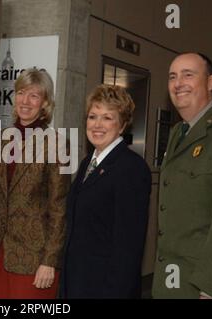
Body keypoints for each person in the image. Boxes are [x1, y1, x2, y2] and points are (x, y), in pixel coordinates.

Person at [152, 53, 212, 299]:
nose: (178, 83)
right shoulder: (178, 132)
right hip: (172, 279)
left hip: (203, 284)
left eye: (188, 74)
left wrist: (211, 288)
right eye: (173, 76)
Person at [0, 68, 71, 298]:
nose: (25, 101)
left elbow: (60, 208)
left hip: (35, 257)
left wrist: (50, 261)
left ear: (45, 103)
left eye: (34, 95)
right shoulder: (0, 140)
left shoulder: (59, 144)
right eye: (21, 93)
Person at [59, 84, 151, 298]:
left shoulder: (131, 168)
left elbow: (128, 248)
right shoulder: (87, 163)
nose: (97, 125)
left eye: (107, 117)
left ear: (122, 125)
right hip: (77, 282)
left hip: (104, 288)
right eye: (92, 117)